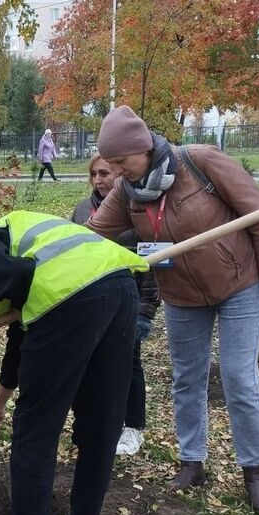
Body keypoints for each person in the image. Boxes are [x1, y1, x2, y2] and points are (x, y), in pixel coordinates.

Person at [86, 105, 259, 514]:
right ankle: (192, 462)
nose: (118, 172)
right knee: (186, 379)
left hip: (239, 284)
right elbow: (90, 234)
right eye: (113, 165)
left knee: (238, 377)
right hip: (181, 295)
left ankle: (255, 471)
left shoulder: (200, 162)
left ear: (143, 149)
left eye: (122, 162)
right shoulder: (128, 192)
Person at [0, 211, 148, 515]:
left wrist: (22, 297)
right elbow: (20, 336)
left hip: (70, 297)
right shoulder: (13, 233)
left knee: (36, 433)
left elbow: (24, 280)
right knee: (101, 427)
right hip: (120, 286)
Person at [71, 154, 161, 455]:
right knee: (93, 363)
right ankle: (98, 424)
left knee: (129, 363)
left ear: (120, 175)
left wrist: (146, 310)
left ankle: (133, 426)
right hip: (93, 301)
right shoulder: (83, 210)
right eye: (94, 174)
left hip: (130, 301)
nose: (99, 180)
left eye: (105, 173)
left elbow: (153, 263)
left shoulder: (138, 209)